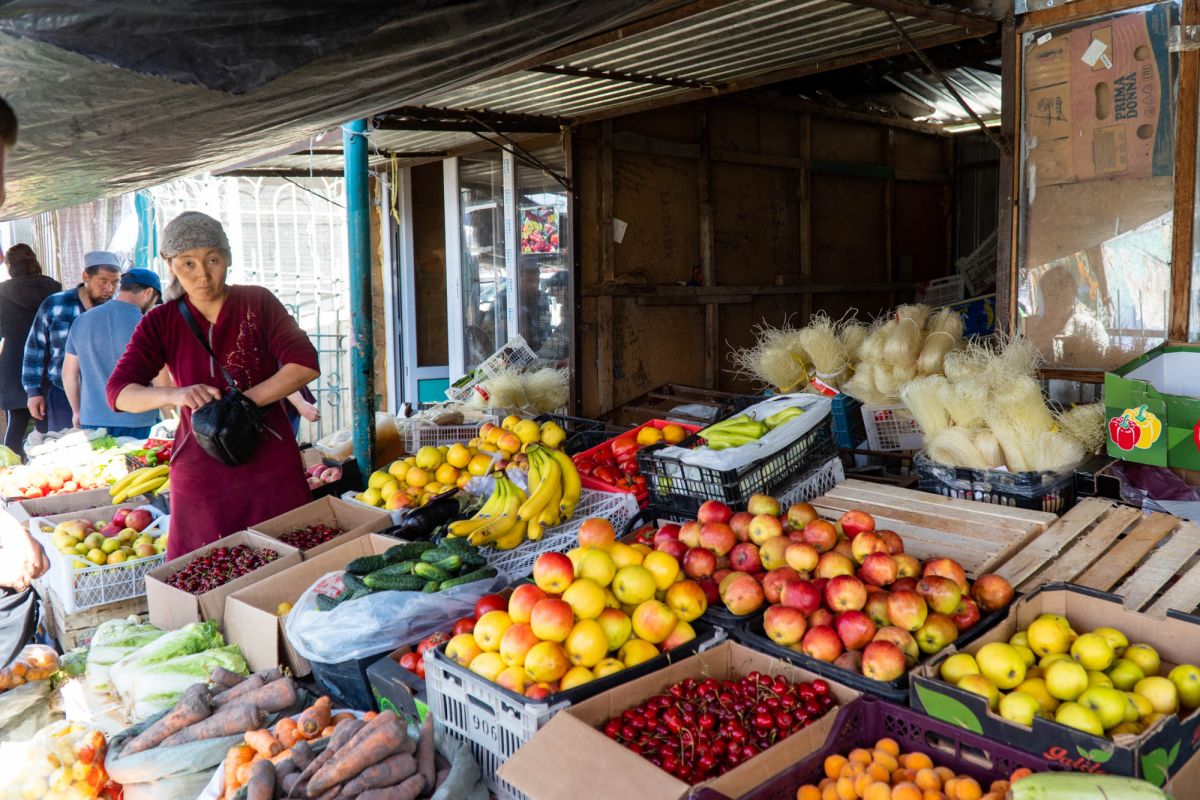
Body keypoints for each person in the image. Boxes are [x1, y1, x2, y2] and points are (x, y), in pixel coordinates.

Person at [107, 211, 320, 559]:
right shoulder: (160, 321)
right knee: (208, 571)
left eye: (212, 260)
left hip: (271, 461)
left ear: (228, 259)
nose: (202, 274)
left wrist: (243, 404)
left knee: (289, 563)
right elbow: (119, 392)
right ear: (171, 265)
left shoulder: (258, 302)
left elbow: (304, 363)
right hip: (201, 470)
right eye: (187, 263)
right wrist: (176, 394)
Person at [0, 96, 52, 663]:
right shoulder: (58, 288)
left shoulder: (2, 294)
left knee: (16, 433)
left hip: (12, 375)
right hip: (46, 379)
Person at [22, 251, 120, 432]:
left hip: (105, 395)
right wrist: (33, 392)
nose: (110, 288)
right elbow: (35, 348)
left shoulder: (115, 311)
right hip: (62, 396)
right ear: (86, 277)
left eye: (115, 282)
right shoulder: (55, 304)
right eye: (103, 281)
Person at [62, 268, 162, 439]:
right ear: (148, 292)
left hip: (92, 420)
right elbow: (161, 379)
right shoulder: (149, 325)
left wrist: (77, 411)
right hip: (139, 422)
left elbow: (68, 374)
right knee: (141, 467)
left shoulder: (82, 320)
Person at [0, 245, 61, 458]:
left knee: (16, 423)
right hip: (48, 361)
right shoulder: (54, 288)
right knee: (51, 427)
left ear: (9, 266)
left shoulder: (1, 293)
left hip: (14, 364)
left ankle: (10, 472)